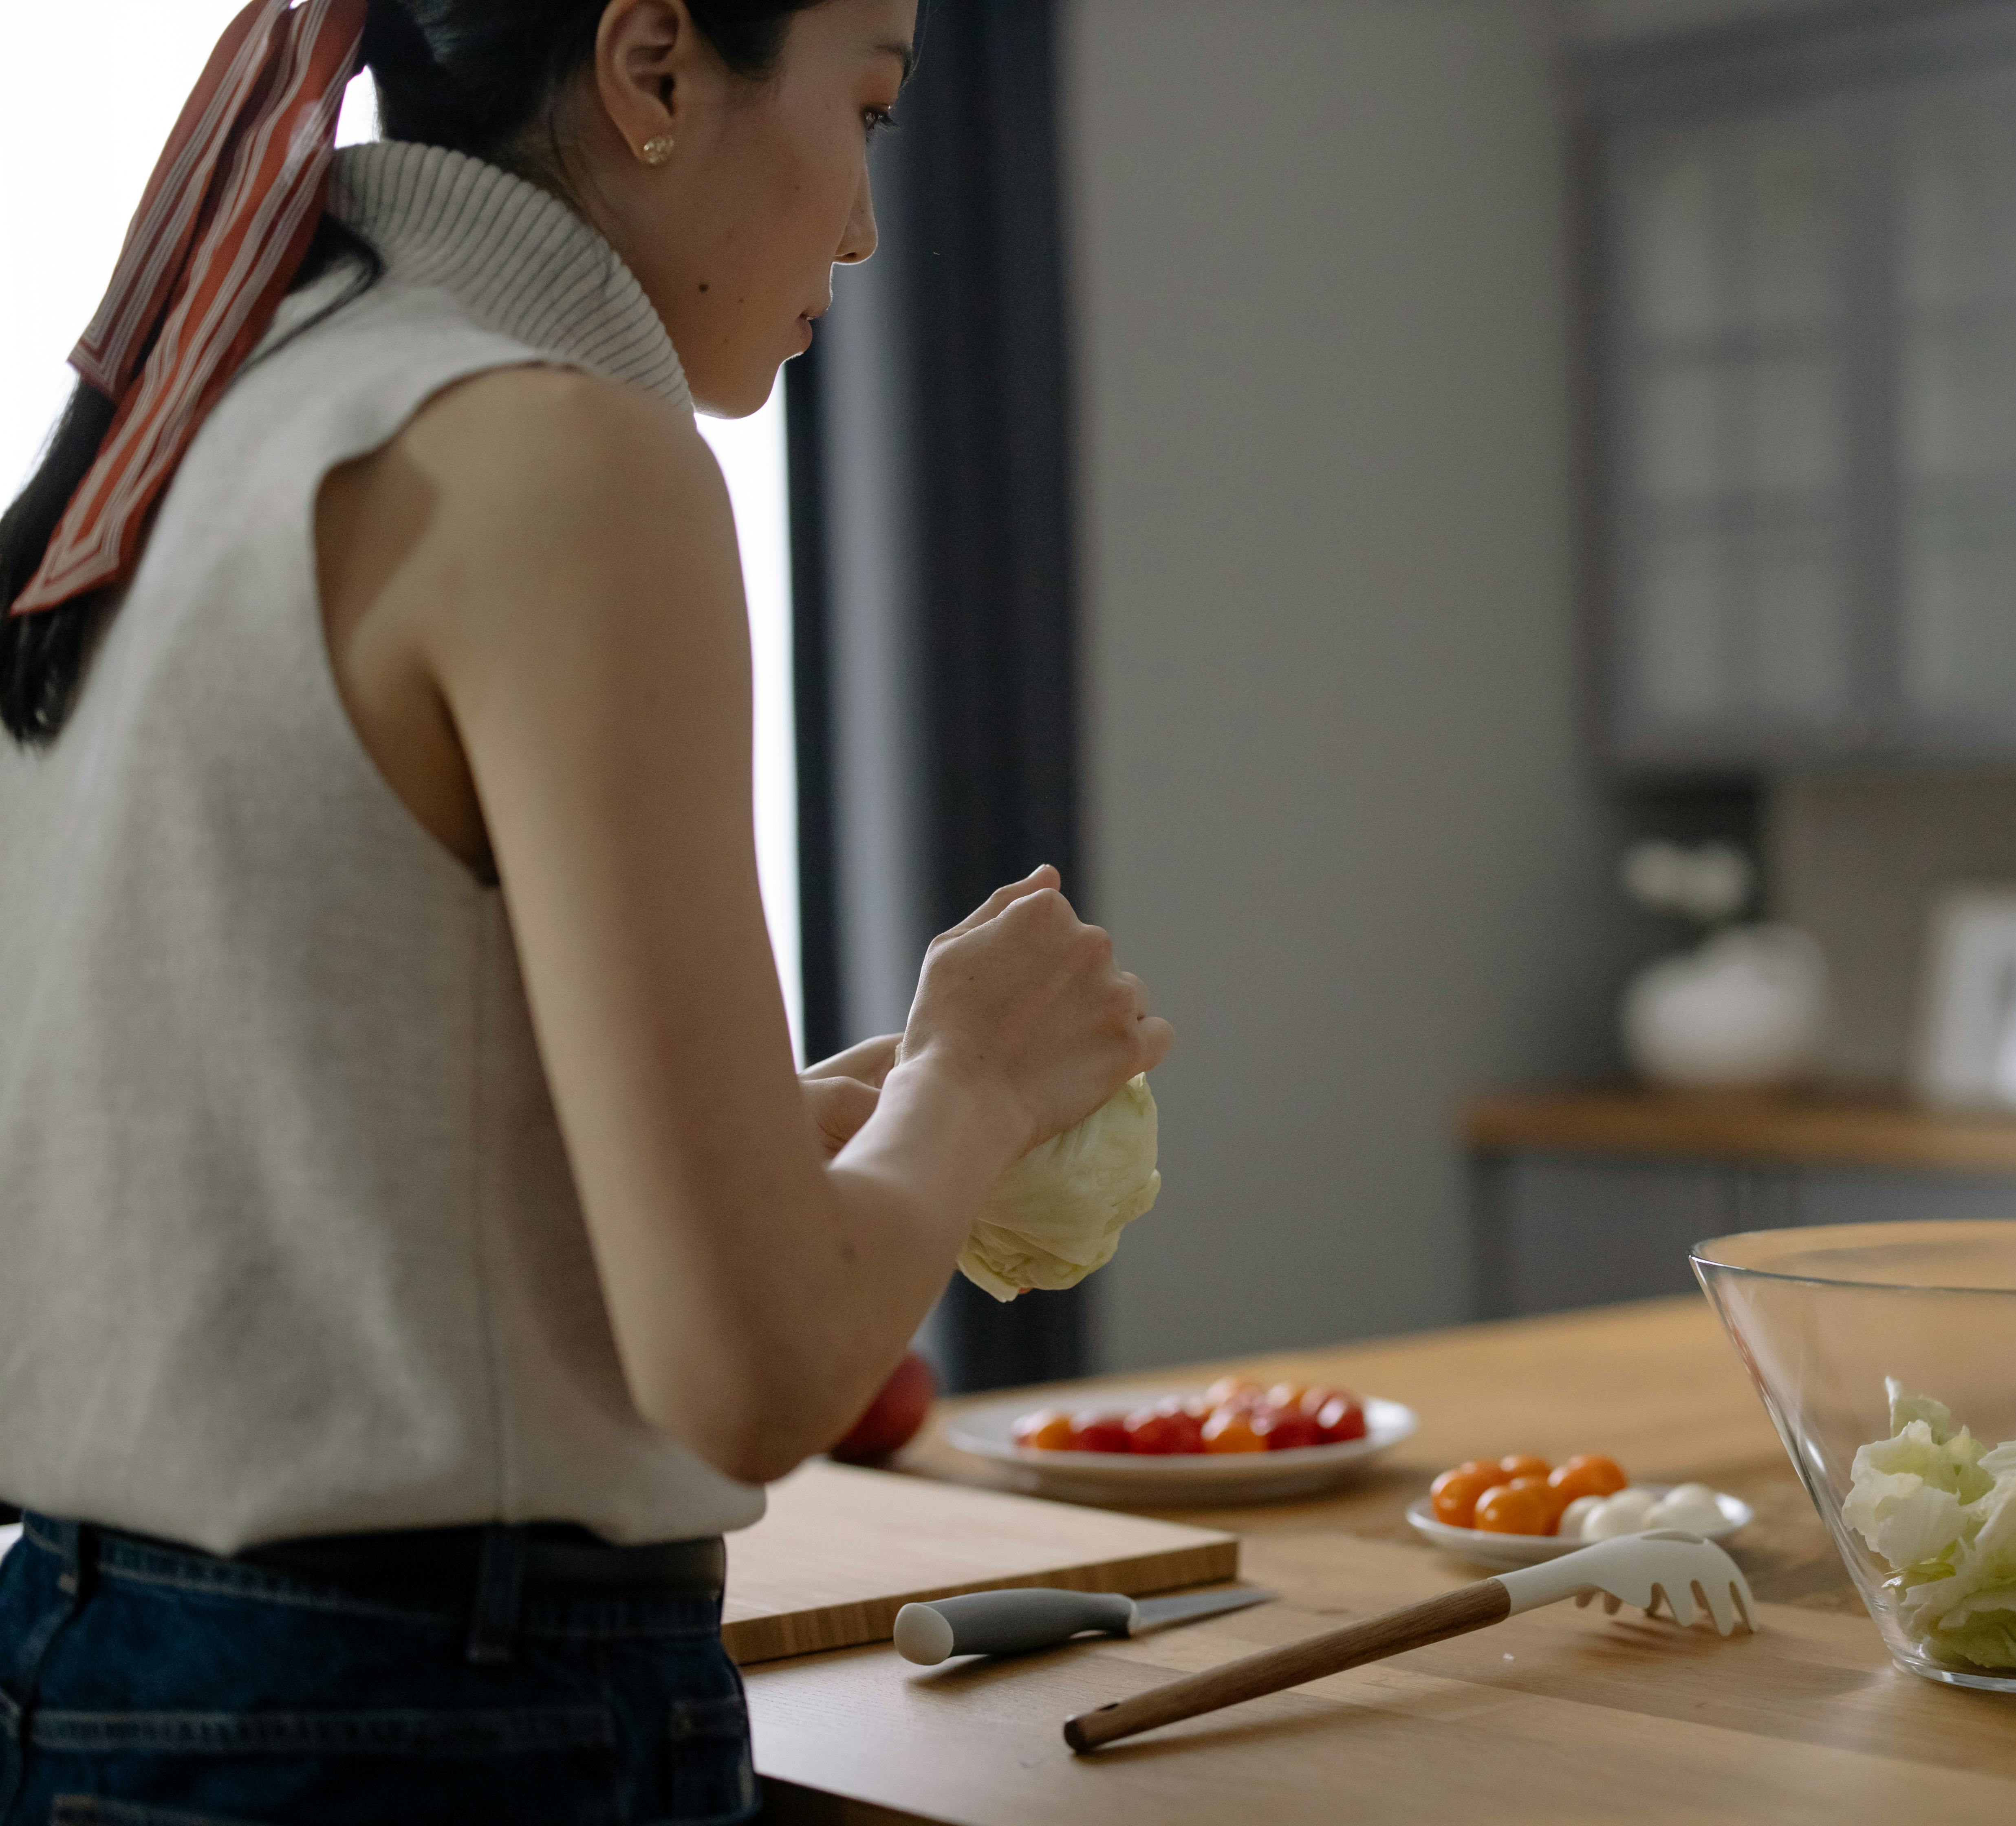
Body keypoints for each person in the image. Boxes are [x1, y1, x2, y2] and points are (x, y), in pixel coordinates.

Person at [0, 0, 1170, 1818]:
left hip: (84, 1667)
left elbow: (295, 1189)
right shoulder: (562, 457)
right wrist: (977, 1082)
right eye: (867, 107)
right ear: (653, 72)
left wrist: (805, 1130)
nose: (864, 227)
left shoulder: (209, 410)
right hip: (421, 1712)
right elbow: (751, 1369)